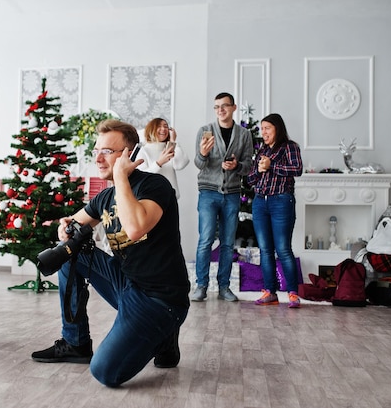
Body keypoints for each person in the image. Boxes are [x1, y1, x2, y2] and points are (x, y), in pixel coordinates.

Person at [31, 119, 190, 388]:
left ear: (129, 154)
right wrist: (66, 228)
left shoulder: (155, 187)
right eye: (96, 151)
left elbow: (136, 227)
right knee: (68, 254)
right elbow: (75, 221)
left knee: (105, 371)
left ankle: (163, 332)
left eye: (107, 151)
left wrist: (120, 177)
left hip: (159, 299)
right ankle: (75, 342)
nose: (99, 158)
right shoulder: (104, 198)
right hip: (126, 283)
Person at [192, 92, 253, 302]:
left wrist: (237, 166)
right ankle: (201, 285)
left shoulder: (244, 135)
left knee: (227, 243)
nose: (220, 110)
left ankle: (224, 287)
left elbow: (249, 167)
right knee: (206, 240)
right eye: (217, 107)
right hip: (208, 192)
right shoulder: (205, 131)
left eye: (225, 106)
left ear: (233, 108)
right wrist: (202, 153)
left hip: (233, 194)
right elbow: (199, 164)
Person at [247, 113, 303, 308]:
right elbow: (250, 180)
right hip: (260, 203)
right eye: (262, 129)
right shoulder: (261, 150)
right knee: (265, 250)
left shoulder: (290, 147)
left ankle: (293, 293)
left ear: (277, 129)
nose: (263, 132)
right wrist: (259, 171)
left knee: (283, 249)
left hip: (282, 201)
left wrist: (272, 166)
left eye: (267, 128)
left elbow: (297, 169)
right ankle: (270, 292)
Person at [137, 118, 190, 199]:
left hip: (171, 197)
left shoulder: (169, 148)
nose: (163, 129)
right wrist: (159, 163)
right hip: (151, 198)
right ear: (151, 129)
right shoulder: (143, 151)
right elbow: (141, 177)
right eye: (159, 126)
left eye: (166, 126)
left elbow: (180, 165)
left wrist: (173, 141)